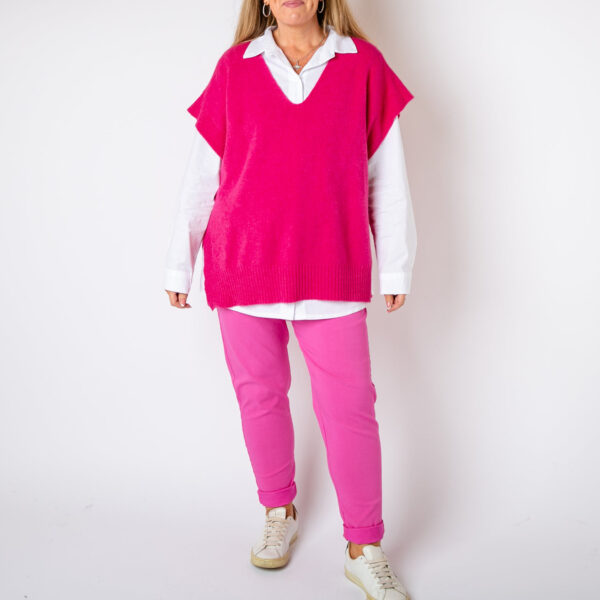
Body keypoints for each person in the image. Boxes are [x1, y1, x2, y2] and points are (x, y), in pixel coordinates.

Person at [164, 1, 416, 598]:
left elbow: (386, 174)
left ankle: (364, 546)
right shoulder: (235, 67)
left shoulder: (363, 65)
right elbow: (204, 173)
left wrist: (396, 263)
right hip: (242, 265)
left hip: (332, 266)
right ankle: (278, 511)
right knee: (260, 396)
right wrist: (181, 257)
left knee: (350, 407)